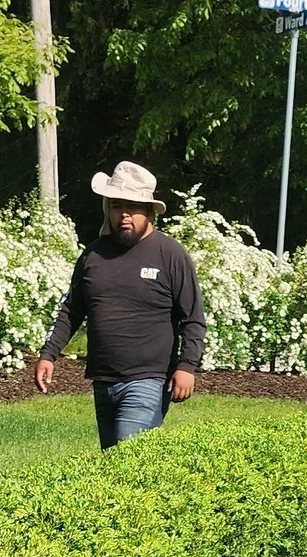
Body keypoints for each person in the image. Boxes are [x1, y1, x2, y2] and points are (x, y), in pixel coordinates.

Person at [34, 160, 206, 449]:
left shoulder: (170, 254)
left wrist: (187, 366)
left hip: (148, 380)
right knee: (113, 462)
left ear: (150, 210)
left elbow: (193, 317)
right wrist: (48, 354)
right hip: (103, 380)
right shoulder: (93, 256)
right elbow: (71, 310)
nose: (123, 214)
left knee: (126, 458)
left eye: (133, 206)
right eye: (116, 206)